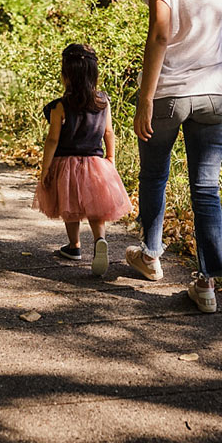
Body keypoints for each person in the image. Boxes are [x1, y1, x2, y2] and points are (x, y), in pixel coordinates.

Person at [126, 0, 222, 313]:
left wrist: (144, 98)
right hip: (216, 91)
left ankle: (151, 256)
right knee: (206, 187)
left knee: (155, 175)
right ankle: (207, 285)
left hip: (170, 90)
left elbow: (160, 32)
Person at [33, 44, 133, 276]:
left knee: (70, 206)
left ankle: (74, 246)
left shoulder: (60, 106)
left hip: (66, 164)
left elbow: (52, 140)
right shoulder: (103, 102)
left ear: (66, 74)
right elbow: (109, 132)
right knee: (96, 207)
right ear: (93, 74)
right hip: (96, 164)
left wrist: (45, 170)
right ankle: (100, 240)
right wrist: (110, 158)